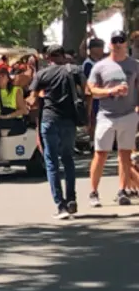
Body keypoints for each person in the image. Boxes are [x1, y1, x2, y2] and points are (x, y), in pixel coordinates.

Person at [29, 45, 86, 218]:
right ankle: (71, 199)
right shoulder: (75, 70)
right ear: (64, 55)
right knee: (68, 159)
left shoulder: (42, 74)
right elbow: (87, 91)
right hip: (69, 120)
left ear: (48, 57)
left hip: (49, 120)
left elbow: (32, 100)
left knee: (52, 162)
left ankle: (60, 205)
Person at [86, 30, 139, 208]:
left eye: (121, 40)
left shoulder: (134, 65)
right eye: (114, 41)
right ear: (110, 44)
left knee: (125, 154)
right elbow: (91, 90)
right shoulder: (100, 66)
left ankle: (122, 190)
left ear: (126, 44)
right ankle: (93, 192)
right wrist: (110, 91)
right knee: (100, 154)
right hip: (106, 115)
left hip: (129, 114)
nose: (117, 44)